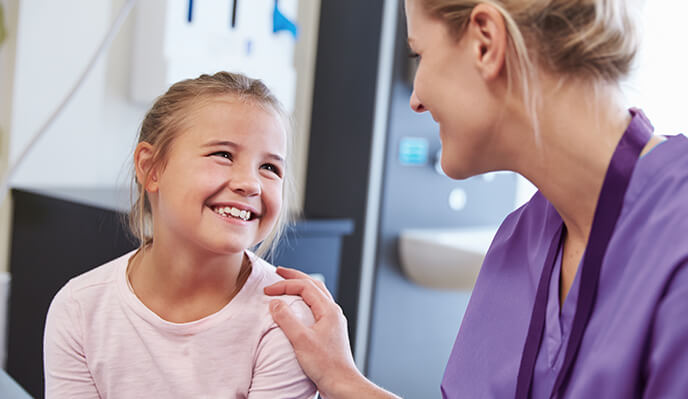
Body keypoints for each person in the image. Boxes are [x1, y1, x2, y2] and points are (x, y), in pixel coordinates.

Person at [264, 0, 688, 398]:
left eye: (419, 55)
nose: (416, 98)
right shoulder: (518, 241)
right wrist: (343, 380)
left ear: (485, 42)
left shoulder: (677, 235)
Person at [43, 72, 317, 398]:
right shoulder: (79, 308)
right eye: (223, 155)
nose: (251, 184)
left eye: (270, 168)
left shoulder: (286, 320)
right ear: (151, 168)